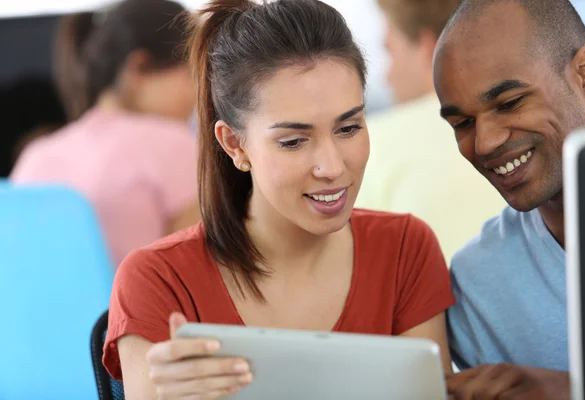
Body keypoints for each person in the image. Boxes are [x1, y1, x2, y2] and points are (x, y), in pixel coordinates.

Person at [102, 0, 456, 398]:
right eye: (293, 141)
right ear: (235, 145)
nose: (332, 166)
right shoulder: (159, 280)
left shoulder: (405, 250)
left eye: (349, 128)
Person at [433, 0, 585, 398]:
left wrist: (574, 391)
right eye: (463, 124)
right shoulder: (478, 285)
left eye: (509, 104)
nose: (486, 142)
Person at [10, 0, 199, 266]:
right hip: (135, 308)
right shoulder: (173, 145)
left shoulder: (36, 155)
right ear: (139, 68)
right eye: (192, 75)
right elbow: (195, 272)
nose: (197, 95)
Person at [355, 0, 506, 262]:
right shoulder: (523, 129)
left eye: (390, 52)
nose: (387, 76)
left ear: (428, 49)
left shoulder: (369, 146)